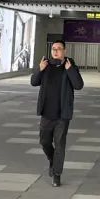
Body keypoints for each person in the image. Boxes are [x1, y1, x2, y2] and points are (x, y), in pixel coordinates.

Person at [31, 39, 84, 187]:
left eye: (59, 48)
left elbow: (78, 85)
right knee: (44, 142)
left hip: (62, 114)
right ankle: (52, 160)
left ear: (64, 51)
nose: (55, 51)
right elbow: (34, 82)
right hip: (46, 113)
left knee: (59, 144)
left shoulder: (70, 65)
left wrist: (70, 70)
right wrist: (39, 69)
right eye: (53, 48)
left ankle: (56, 174)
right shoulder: (45, 65)